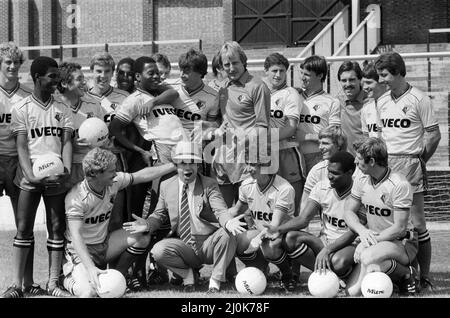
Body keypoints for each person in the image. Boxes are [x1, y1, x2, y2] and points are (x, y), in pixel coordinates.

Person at [62, 147, 176, 297]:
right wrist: (90, 268)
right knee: (88, 292)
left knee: (141, 236)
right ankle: (65, 279)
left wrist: (174, 165)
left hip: (103, 245)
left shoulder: (113, 182)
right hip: (79, 252)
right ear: (94, 174)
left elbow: (141, 176)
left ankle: (119, 276)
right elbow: (76, 236)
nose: (115, 174)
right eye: (111, 171)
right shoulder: (76, 198)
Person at [3, 56, 73, 298]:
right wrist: (31, 176)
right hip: (30, 175)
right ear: (37, 77)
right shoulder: (21, 108)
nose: (57, 80)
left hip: (55, 177)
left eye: (58, 76)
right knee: (23, 228)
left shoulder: (62, 108)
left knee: (56, 226)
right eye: (52, 76)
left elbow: (66, 142)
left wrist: (65, 170)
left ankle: (54, 284)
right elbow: (21, 146)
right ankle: (16, 285)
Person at [375, 52, 441, 291]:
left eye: (385, 75)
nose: (382, 80)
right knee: (391, 222)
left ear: (399, 72)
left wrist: (420, 159)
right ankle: (403, 274)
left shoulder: (419, 99)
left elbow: (434, 135)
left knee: (417, 222)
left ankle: (425, 276)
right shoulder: (381, 101)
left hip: (411, 164)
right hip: (387, 165)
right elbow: (382, 136)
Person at [143, 141, 245, 293]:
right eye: (183, 163)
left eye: (192, 163)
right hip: (183, 246)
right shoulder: (166, 185)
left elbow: (220, 210)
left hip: (208, 244)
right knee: (158, 251)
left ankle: (215, 281)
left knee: (227, 232)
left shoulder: (209, 184)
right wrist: (147, 225)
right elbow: (158, 215)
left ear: (198, 165)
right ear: (176, 165)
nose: (188, 168)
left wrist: (228, 222)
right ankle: (187, 275)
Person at [264, 151, 364, 287]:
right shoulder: (321, 187)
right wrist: (277, 229)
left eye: (335, 173)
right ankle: (332, 278)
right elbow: (303, 219)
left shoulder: (361, 192)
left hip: (350, 244)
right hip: (325, 241)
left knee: (338, 262)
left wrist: (328, 250)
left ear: (350, 172)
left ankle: (344, 275)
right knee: (290, 237)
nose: (330, 176)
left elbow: (354, 232)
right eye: (329, 171)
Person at [344, 137, 419, 296]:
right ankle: (400, 277)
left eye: (359, 161)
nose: (356, 165)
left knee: (368, 256)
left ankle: (407, 271)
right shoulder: (361, 178)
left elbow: (399, 228)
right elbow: (348, 212)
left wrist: (367, 243)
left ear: (371, 161)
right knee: (352, 292)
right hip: (374, 241)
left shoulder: (399, 184)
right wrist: (362, 232)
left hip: (403, 242)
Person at [0, 42, 42, 297]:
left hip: (19, 162)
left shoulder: (26, 96)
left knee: (24, 224)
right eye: (8, 62)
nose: (13, 67)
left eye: (17, 63)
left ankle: (27, 282)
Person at [211, 41, 271, 208]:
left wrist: (242, 143)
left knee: (246, 215)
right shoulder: (223, 88)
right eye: (226, 64)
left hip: (247, 160)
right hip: (224, 158)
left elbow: (262, 126)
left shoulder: (257, 86)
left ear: (243, 61)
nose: (231, 68)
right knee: (223, 211)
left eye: (235, 63)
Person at [228, 157, 297, 292]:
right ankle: (261, 270)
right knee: (239, 241)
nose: (248, 168)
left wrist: (257, 239)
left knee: (269, 246)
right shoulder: (246, 185)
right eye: (247, 163)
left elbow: (274, 226)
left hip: (283, 235)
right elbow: (235, 211)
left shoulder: (284, 188)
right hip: (261, 231)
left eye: (253, 164)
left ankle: (287, 276)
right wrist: (217, 218)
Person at [262, 52, 305, 216]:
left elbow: (290, 128)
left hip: (287, 151)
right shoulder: (261, 92)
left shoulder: (290, 94)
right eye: (274, 70)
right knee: (269, 197)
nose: (278, 75)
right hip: (266, 152)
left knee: (292, 199)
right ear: (266, 71)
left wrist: (264, 139)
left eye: (282, 71)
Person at [57, 62, 106, 189]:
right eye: (79, 79)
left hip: (92, 166)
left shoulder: (94, 105)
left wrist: (99, 141)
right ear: (64, 83)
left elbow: (104, 137)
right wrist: (71, 143)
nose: (84, 83)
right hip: (63, 168)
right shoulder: (54, 107)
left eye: (84, 79)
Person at [295, 55, 341, 175]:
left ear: (320, 75)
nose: (302, 78)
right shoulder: (294, 97)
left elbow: (333, 137)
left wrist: (306, 136)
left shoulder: (332, 102)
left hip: (319, 157)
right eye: (302, 73)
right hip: (294, 155)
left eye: (307, 75)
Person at [300, 125, 347, 210]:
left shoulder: (355, 170)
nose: (320, 147)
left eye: (325, 143)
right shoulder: (316, 170)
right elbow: (305, 203)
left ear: (339, 145)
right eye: (319, 143)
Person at [336, 61, 366, 156]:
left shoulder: (370, 102)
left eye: (352, 80)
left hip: (365, 160)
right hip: (345, 162)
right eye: (344, 80)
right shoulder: (337, 102)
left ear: (360, 79)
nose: (348, 84)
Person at [360, 61, 387, 138]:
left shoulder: (396, 105)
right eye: (363, 83)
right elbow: (366, 138)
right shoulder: (366, 109)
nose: (364, 87)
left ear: (382, 82)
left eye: (369, 82)